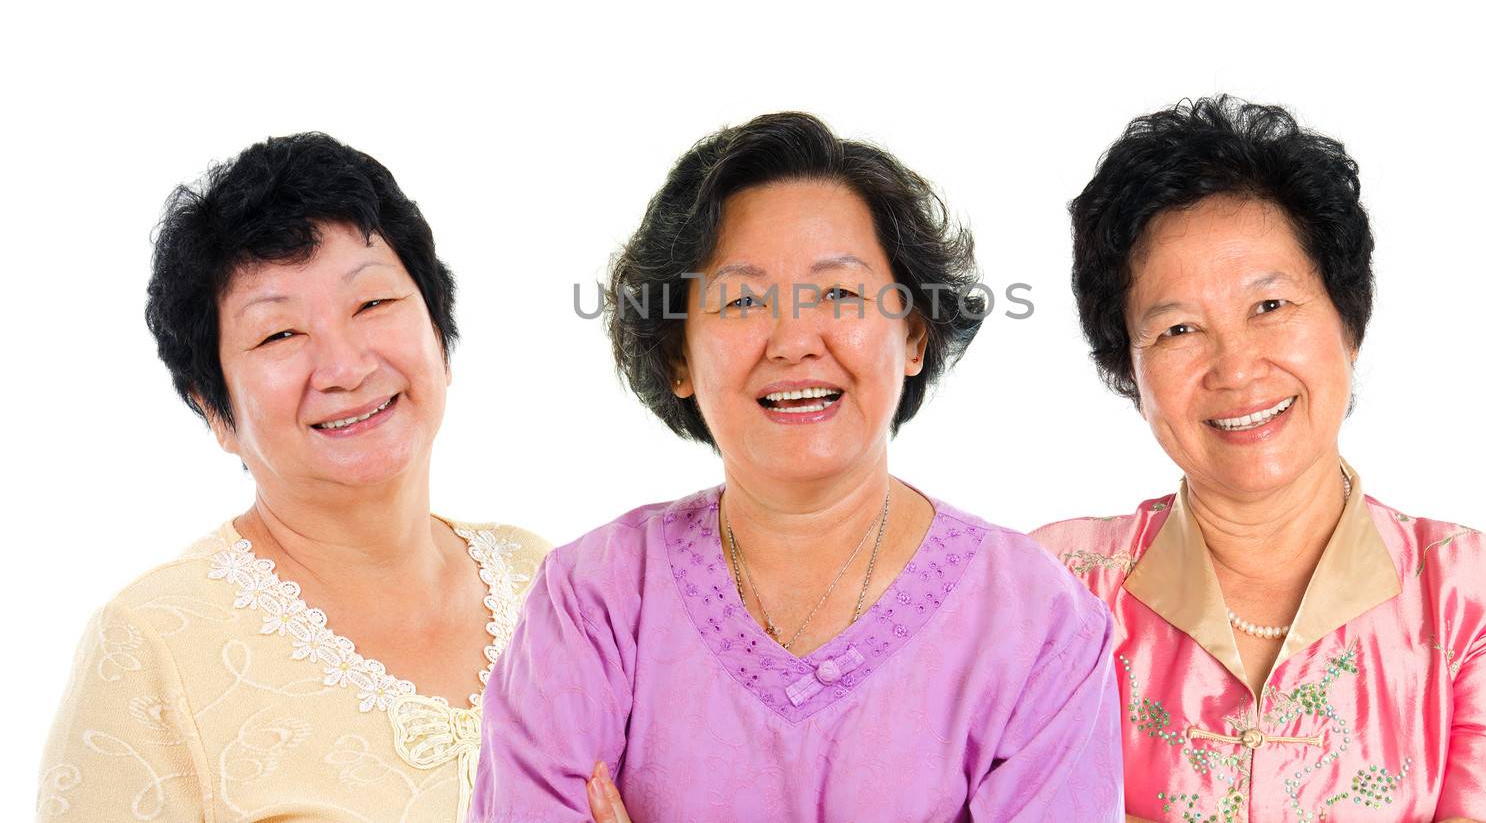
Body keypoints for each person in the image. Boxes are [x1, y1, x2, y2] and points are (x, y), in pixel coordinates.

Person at [471, 112, 1123, 822]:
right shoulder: (591, 603)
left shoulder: (1039, 626)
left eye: (839, 294)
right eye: (743, 298)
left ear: (914, 334)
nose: (793, 340)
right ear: (678, 357)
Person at [1031, 97, 1486, 822]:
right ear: (1129, 373)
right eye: (1180, 328)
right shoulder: (1055, 594)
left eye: (1271, 307)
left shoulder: (1477, 598)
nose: (1236, 368)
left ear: (1348, 321)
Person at [38, 133, 550, 822]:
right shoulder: (151, 647)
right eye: (279, 335)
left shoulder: (545, 582)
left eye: (371, 305)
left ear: (440, 333)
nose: (345, 367)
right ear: (213, 408)